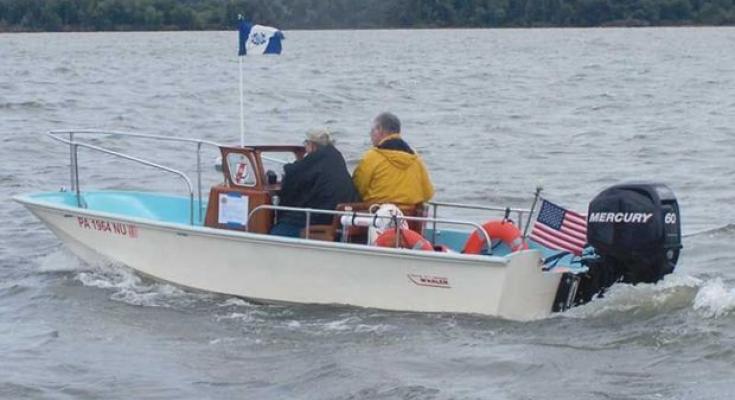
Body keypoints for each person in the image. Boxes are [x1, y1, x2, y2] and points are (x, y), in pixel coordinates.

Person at [270, 129, 360, 237]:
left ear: (312, 145)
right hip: (337, 218)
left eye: (306, 143)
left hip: (319, 218)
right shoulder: (336, 157)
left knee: (277, 231)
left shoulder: (315, 160)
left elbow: (293, 177)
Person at [352, 112, 434, 205]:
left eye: (372, 130)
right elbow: (428, 194)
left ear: (380, 129)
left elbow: (357, 189)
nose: (370, 134)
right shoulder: (415, 159)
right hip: (409, 217)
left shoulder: (372, 157)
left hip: (377, 215)